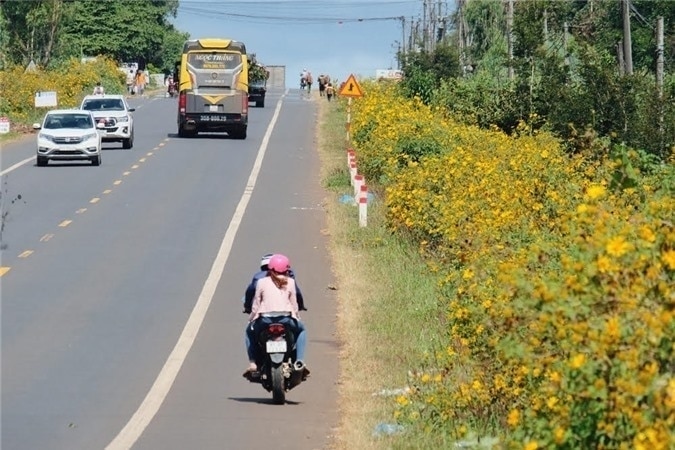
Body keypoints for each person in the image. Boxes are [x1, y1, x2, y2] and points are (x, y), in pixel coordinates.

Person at [244, 254, 308, 375]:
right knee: (302, 330)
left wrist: (251, 318)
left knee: (249, 332)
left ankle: (253, 363)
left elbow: (256, 304)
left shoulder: (261, 282)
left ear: (270, 268)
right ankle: (299, 361)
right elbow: (294, 304)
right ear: (287, 269)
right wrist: (297, 317)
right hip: (286, 319)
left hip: (265, 320)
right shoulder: (291, 282)